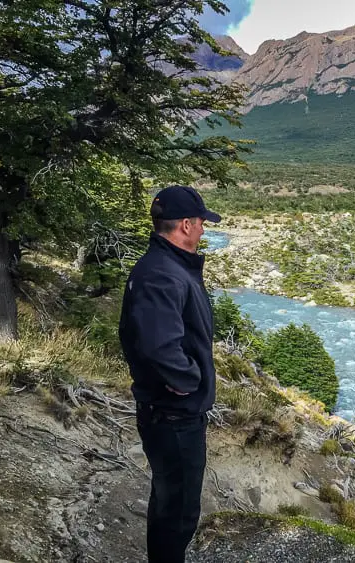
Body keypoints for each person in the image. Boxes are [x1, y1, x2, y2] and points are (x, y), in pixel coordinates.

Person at [118, 185, 220, 563]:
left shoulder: (166, 266)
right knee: (178, 512)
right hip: (174, 414)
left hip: (168, 410)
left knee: (168, 499)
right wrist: (188, 383)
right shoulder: (164, 274)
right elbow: (158, 346)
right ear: (186, 225)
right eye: (201, 223)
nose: (204, 230)